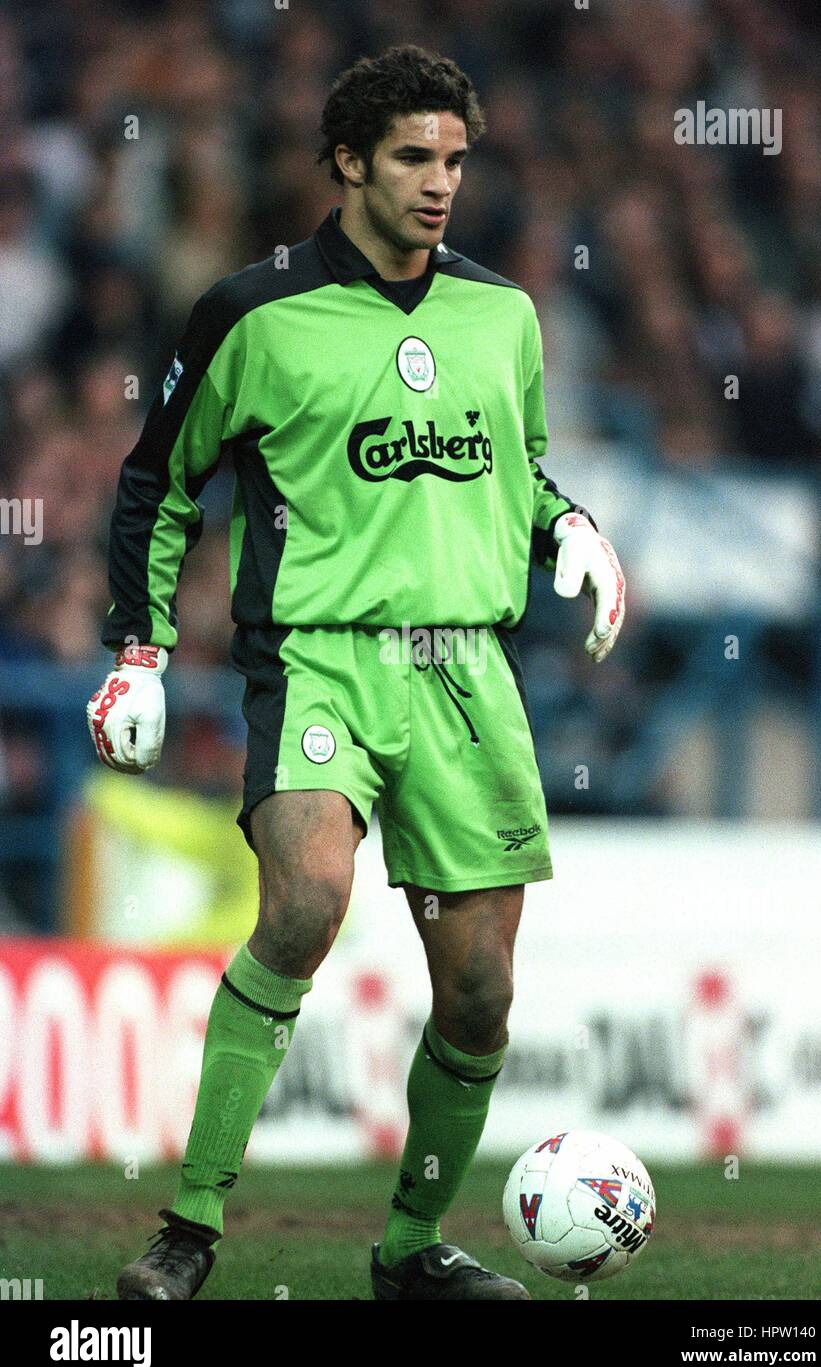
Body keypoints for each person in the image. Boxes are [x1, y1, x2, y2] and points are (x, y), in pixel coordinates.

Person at [86, 44, 625, 1301]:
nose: (440, 184)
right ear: (345, 163)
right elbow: (156, 483)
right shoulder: (252, 312)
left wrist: (570, 529)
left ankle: (407, 1252)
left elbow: (524, 469)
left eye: (454, 159)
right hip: (317, 662)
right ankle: (188, 1229)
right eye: (411, 159)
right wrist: (140, 649)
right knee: (306, 899)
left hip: (467, 674)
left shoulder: (504, 315)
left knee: (481, 991)